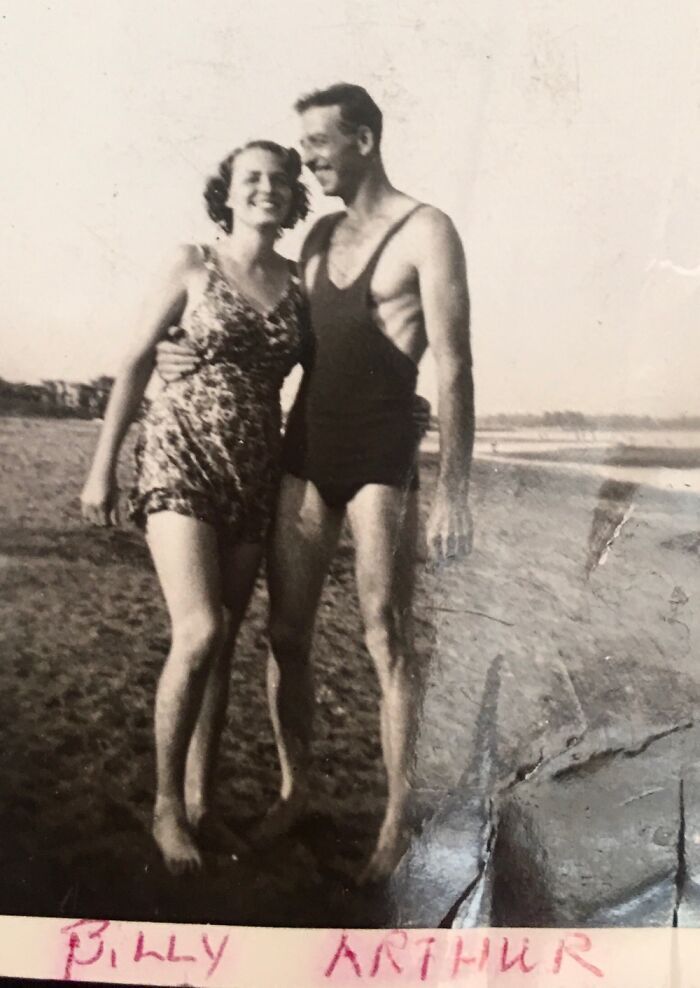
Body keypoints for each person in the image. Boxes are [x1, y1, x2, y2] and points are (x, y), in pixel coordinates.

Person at [157, 83, 475, 883]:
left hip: (379, 459)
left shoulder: (427, 230)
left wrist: (455, 492)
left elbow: (455, 363)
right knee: (285, 637)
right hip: (304, 454)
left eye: (320, 144)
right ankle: (298, 790)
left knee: (384, 634)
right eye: (302, 146)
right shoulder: (321, 234)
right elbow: (265, 332)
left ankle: (397, 821)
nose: (307, 161)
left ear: (364, 139)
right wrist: (181, 354)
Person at [80, 140, 311, 875]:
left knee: (225, 639)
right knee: (201, 626)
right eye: (251, 180)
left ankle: (204, 804)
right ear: (228, 192)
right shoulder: (192, 262)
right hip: (178, 451)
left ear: (292, 197)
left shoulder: (301, 284)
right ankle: (165, 811)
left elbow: (328, 375)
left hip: (255, 468)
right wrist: (101, 470)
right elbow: (138, 359)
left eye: (279, 181)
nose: (266, 190)